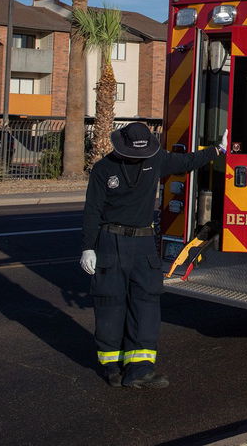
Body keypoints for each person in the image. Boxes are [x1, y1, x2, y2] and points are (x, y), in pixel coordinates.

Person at [80, 121, 226, 388]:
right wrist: (88, 247)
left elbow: (187, 161)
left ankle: (140, 369)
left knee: (145, 303)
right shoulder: (103, 170)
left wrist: (217, 150)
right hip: (110, 241)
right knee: (110, 303)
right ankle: (112, 367)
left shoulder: (155, 158)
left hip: (144, 243)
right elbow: (92, 210)